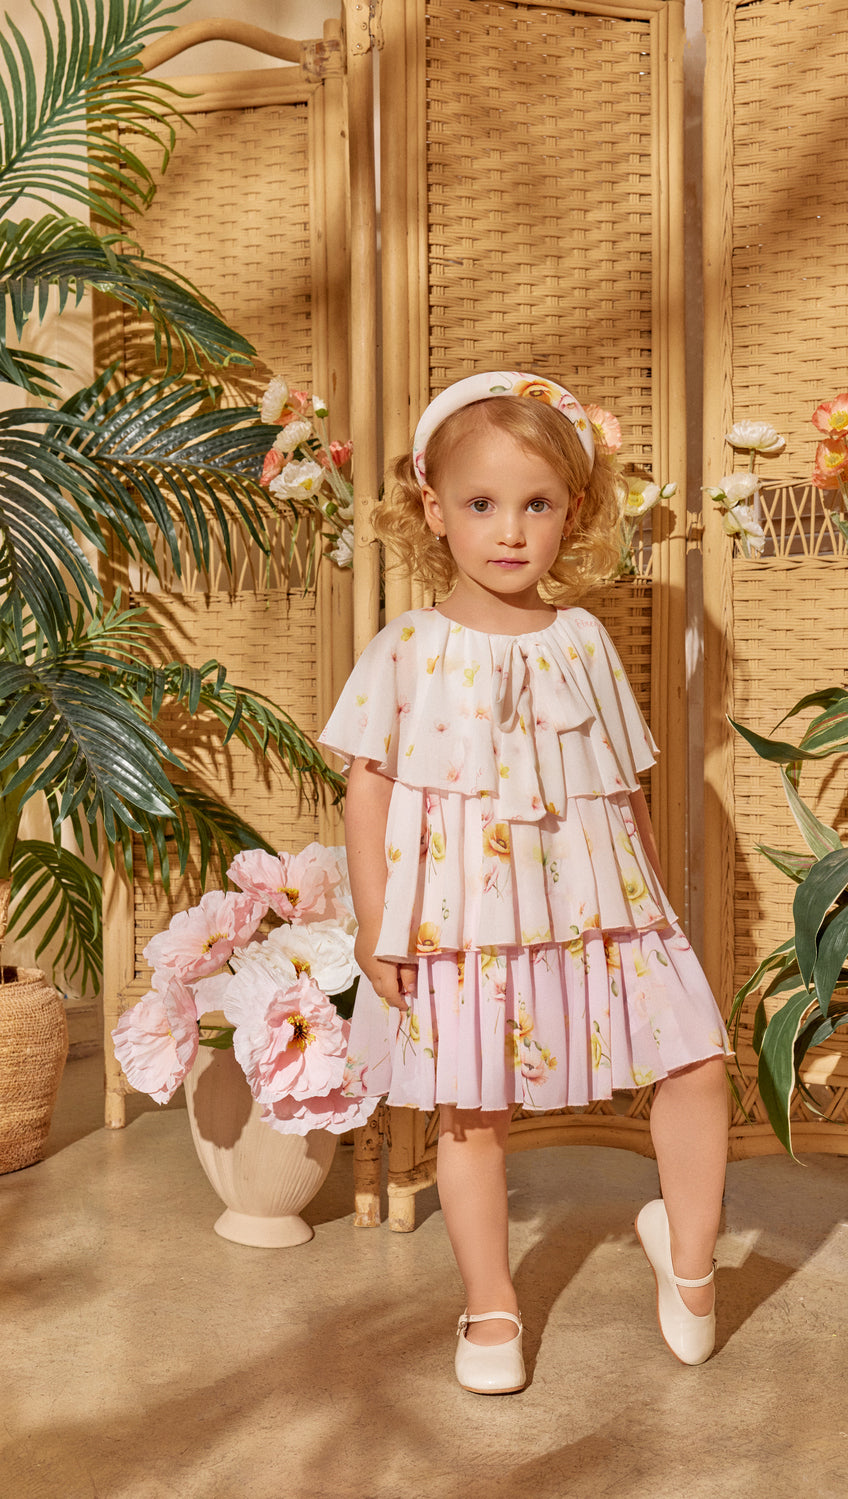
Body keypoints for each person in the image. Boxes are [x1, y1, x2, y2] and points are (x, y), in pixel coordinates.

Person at [319, 371, 730, 1393]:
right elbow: (367, 792)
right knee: (472, 1109)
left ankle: (690, 1260)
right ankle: (491, 1302)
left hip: (604, 910)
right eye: (481, 503)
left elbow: (622, 786)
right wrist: (375, 923)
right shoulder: (407, 647)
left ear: (573, 512)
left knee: (696, 1059)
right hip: (465, 922)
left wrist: (657, 910)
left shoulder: (583, 639)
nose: (510, 530)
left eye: (537, 504)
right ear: (433, 510)